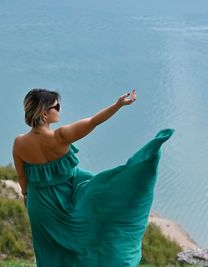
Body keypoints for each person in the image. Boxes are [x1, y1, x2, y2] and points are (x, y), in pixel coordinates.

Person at [12, 88, 174, 267]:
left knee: (49, 252)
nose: (59, 109)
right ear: (44, 113)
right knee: (104, 198)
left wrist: (26, 195)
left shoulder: (19, 143)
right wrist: (118, 105)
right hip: (66, 194)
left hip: (39, 205)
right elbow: (94, 121)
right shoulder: (61, 136)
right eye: (56, 106)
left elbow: (22, 176)